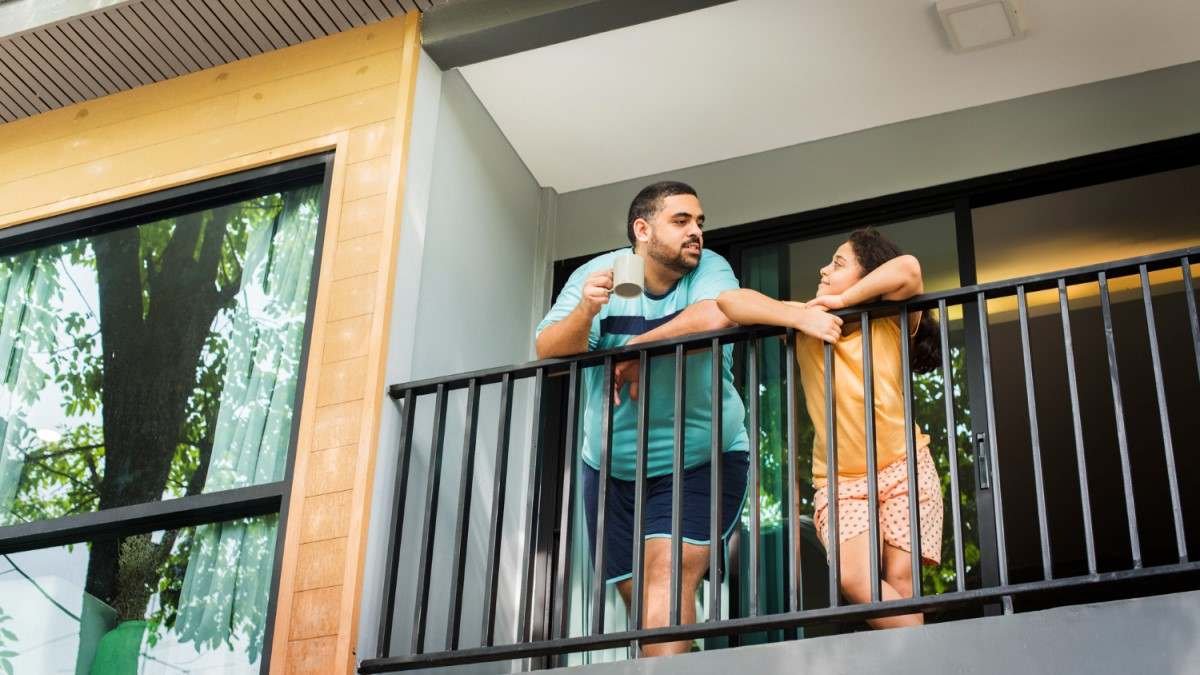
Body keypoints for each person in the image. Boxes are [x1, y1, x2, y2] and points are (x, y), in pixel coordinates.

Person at [535, 181, 749, 655]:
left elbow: (719, 315)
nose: (696, 231)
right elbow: (549, 349)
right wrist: (587, 311)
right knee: (650, 616)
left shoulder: (709, 269)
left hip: (700, 458)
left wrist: (636, 347)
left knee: (664, 597)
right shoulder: (603, 273)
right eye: (681, 221)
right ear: (642, 229)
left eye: (699, 222)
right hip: (611, 471)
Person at [716, 227, 943, 628]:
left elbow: (908, 269)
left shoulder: (890, 321)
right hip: (841, 483)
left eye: (838, 263)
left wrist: (842, 301)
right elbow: (730, 301)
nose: (824, 269)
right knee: (856, 580)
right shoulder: (805, 321)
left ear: (867, 275)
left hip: (904, 466)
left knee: (902, 586)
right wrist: (800, 315)